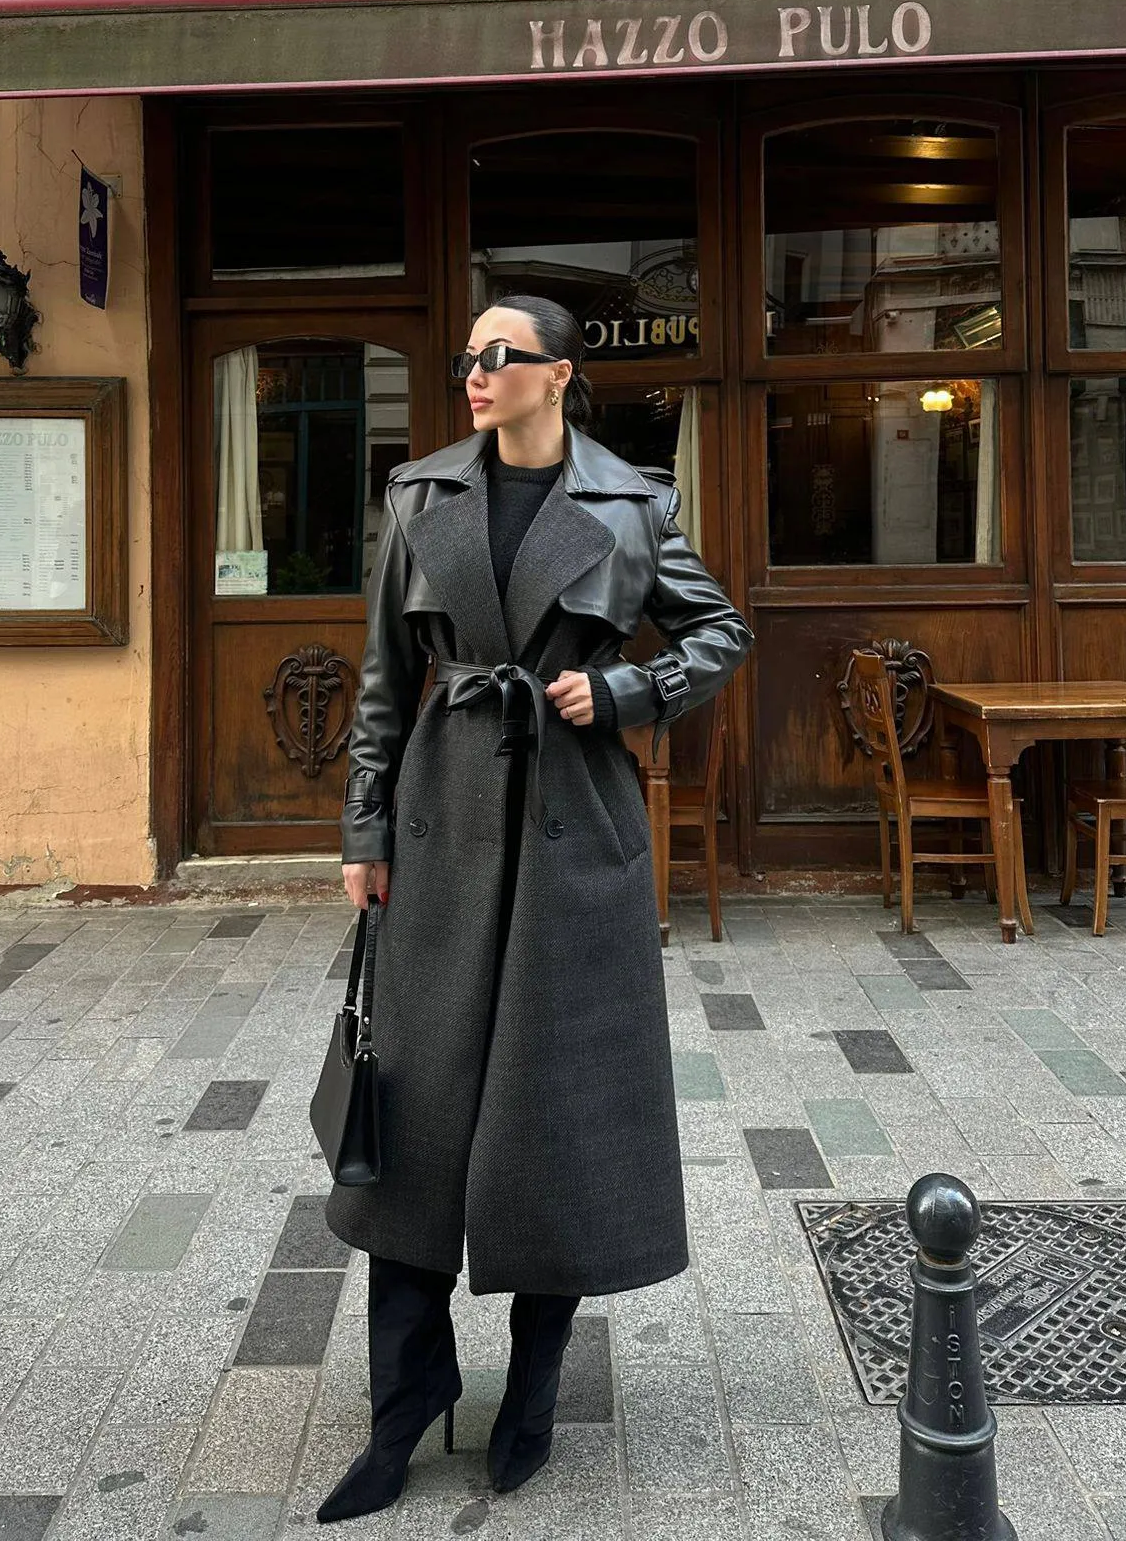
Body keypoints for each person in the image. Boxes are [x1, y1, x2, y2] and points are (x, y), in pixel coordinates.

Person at [317, 293, 753, 1522]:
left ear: (558, 374)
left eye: (498, 355)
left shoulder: (631, 500)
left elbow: (721, 629)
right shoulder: (419, 495)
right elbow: (384, 675)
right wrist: (363, 826)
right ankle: (403, 1403)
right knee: (412, 1114)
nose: (475, 371)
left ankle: (533, 1393)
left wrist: (625, 690)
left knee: (551, 1113)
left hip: (574, 824)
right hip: (442, 817)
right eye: (468, 355)